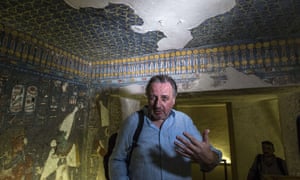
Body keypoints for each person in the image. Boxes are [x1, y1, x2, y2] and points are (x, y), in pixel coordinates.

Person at [109, 74, 222, 180]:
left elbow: (212, 157)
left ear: (173, 99)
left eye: (164, 98)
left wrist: (210, 158)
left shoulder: (184, 121)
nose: (157, 105)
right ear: (147, 97)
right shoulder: (132, 122)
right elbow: (117, 160)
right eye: (153, 97)